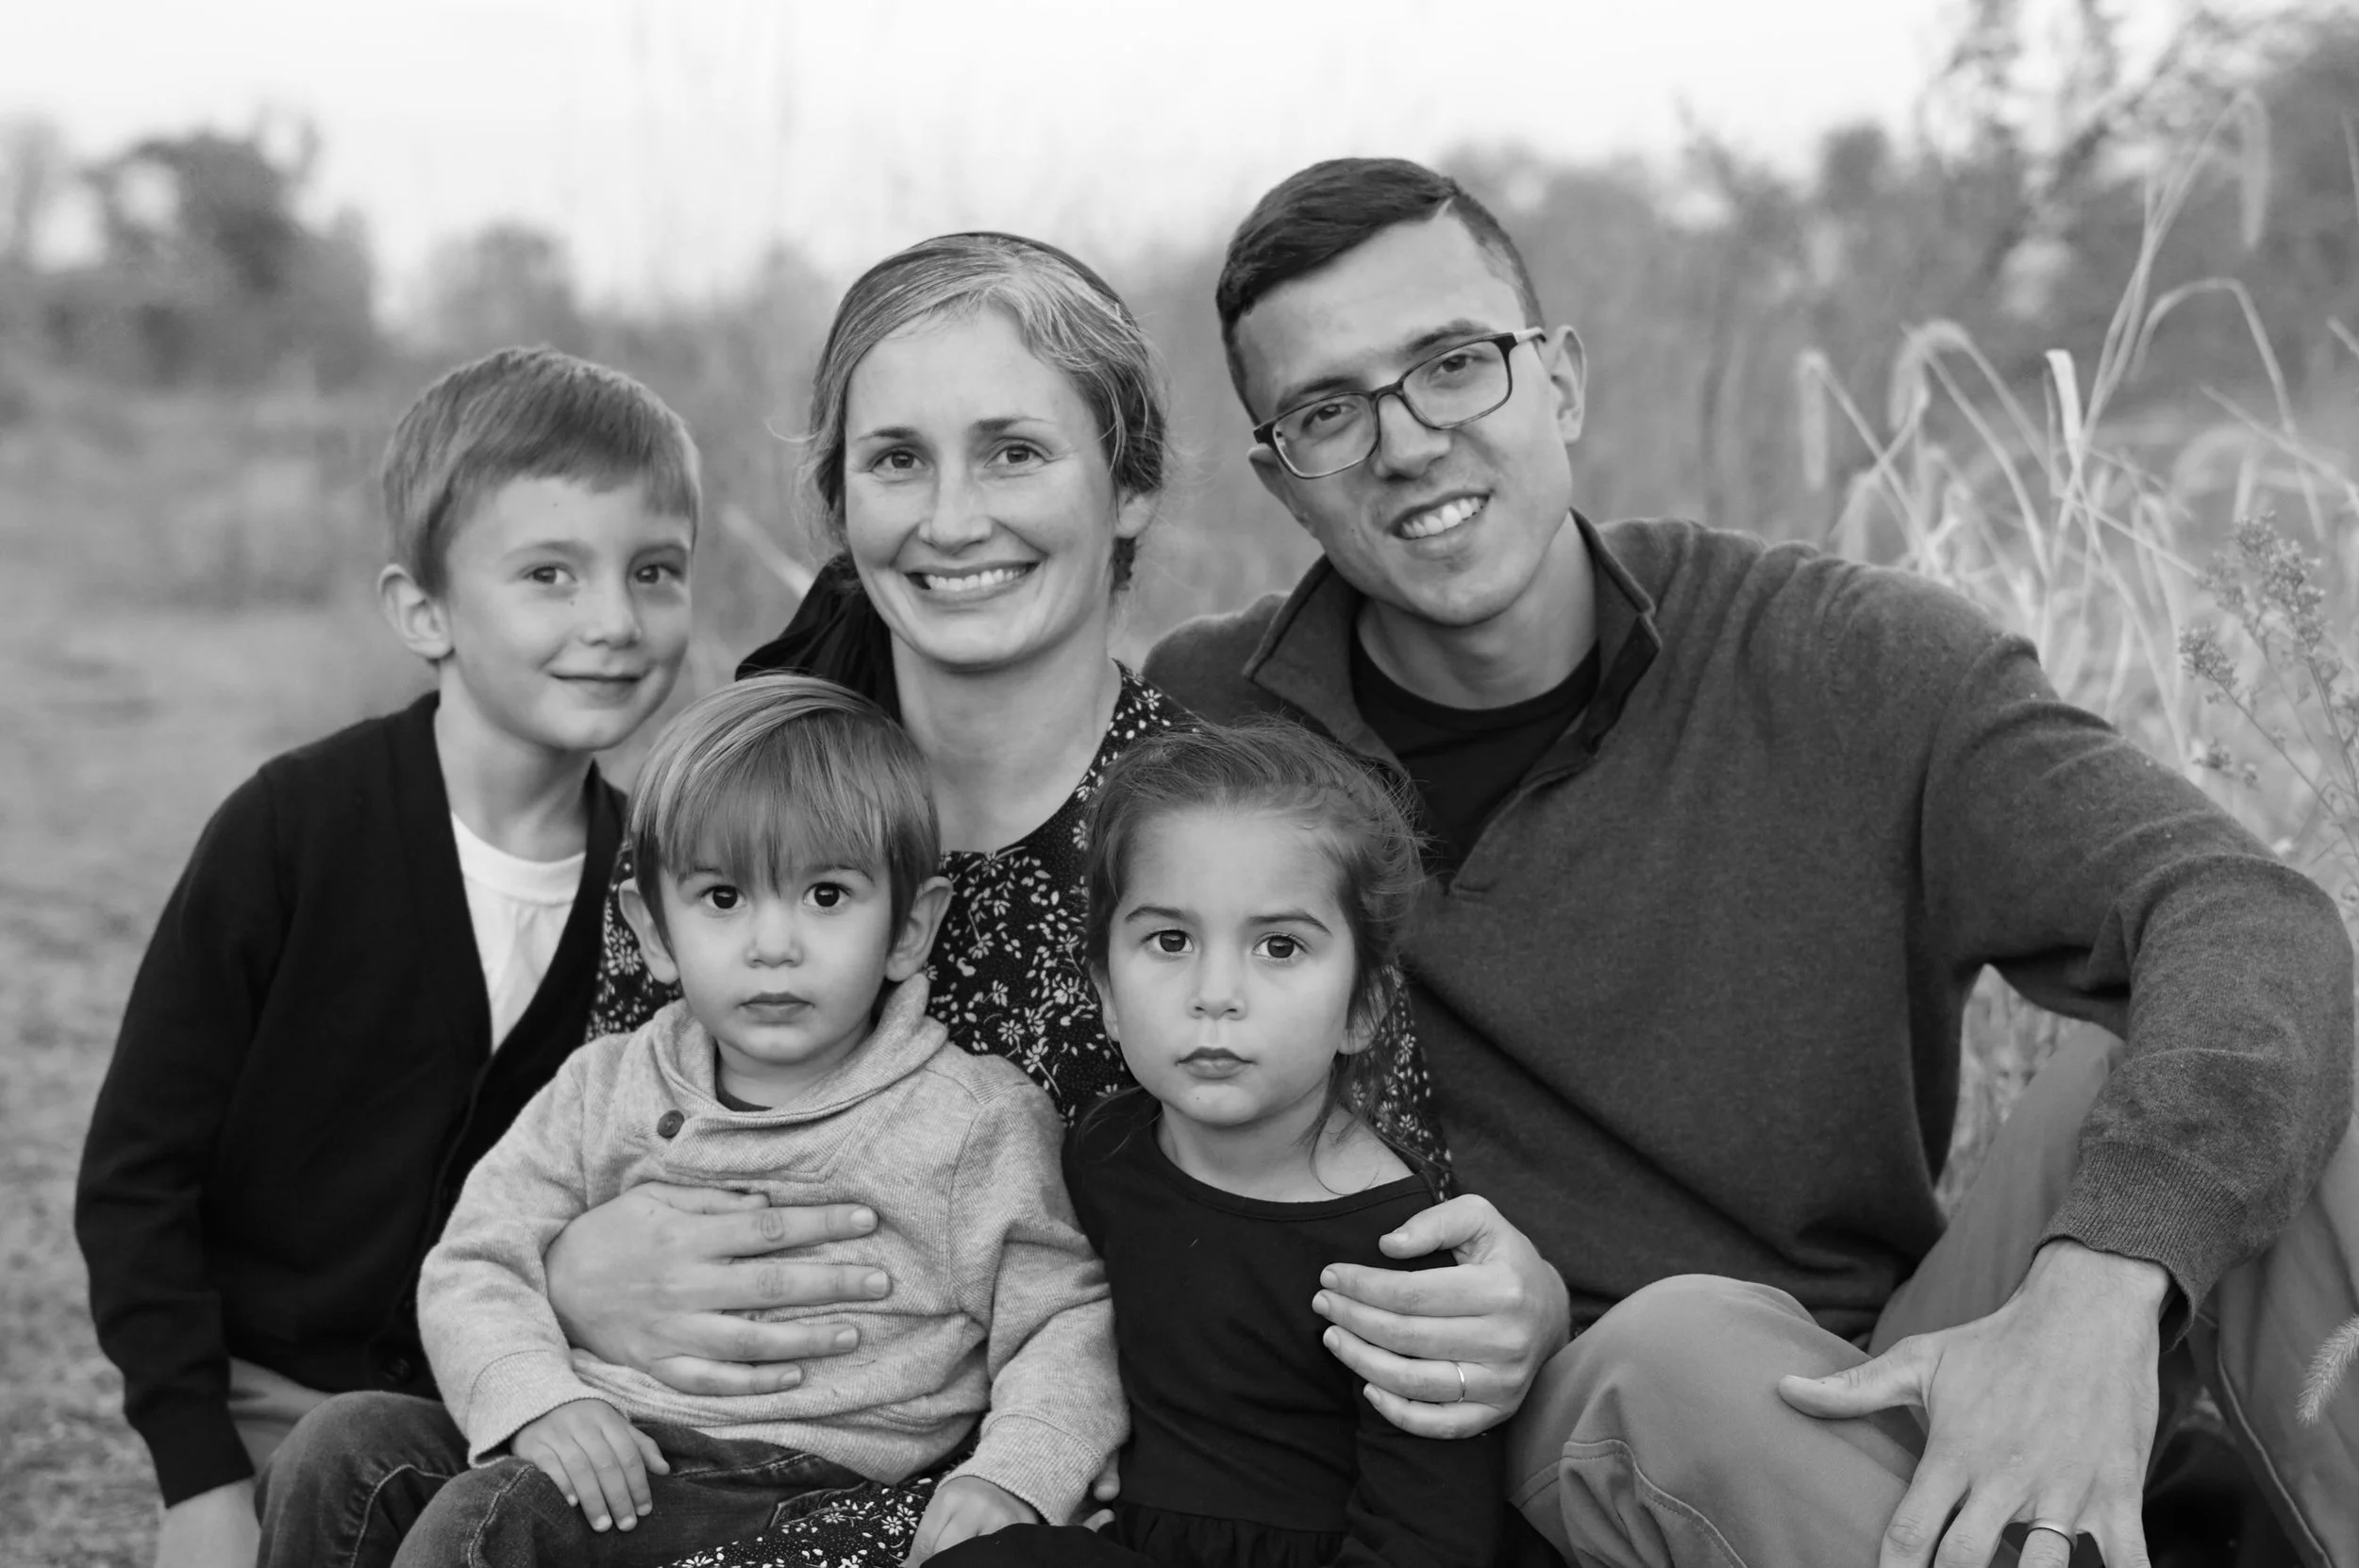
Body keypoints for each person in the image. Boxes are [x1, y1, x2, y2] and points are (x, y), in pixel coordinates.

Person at [1142, 157, 2359, 1567]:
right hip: (1567, 1423)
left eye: (1454, 365)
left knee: (2247, 1056)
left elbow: (2244, 913)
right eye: (1327, 412)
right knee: (1670, 1353)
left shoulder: (1844, 659)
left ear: (1561, 380)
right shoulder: (1211, 734)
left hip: (1887, 1360)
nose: (1407, 443)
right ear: (1282, 482)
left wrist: (2102, 1281)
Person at [254, 676, 1125, 1567]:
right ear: (655, 931)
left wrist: (1015, 1476)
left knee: (499, 1517)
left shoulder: (970, 1123)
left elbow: (1064, 1319)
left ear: (909, 927)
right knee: (340, 1447)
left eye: (827, 895)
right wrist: (539, 1399)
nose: (773, 945)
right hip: (605, 1426)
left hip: (798, 1480)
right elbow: (477, 1261)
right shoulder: (605, 1086)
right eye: (723, 898)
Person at [75, 345, 701, 1568]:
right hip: (265, 1407)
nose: (614, 621)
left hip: (516, 1416)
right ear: (424, 611)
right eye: (550, 574)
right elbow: (138, 1175)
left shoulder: (668, 891)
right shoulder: (295, 829)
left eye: (655, 571)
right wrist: (197, 1473)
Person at [933, 720, 1503, 1568]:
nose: (1216, 993)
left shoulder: (1397, 1254)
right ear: (1106, 991)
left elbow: (1432, 1537)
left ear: (1363, 1006)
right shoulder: (1103, 1152)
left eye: (1280, 946)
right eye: (1171, 941)